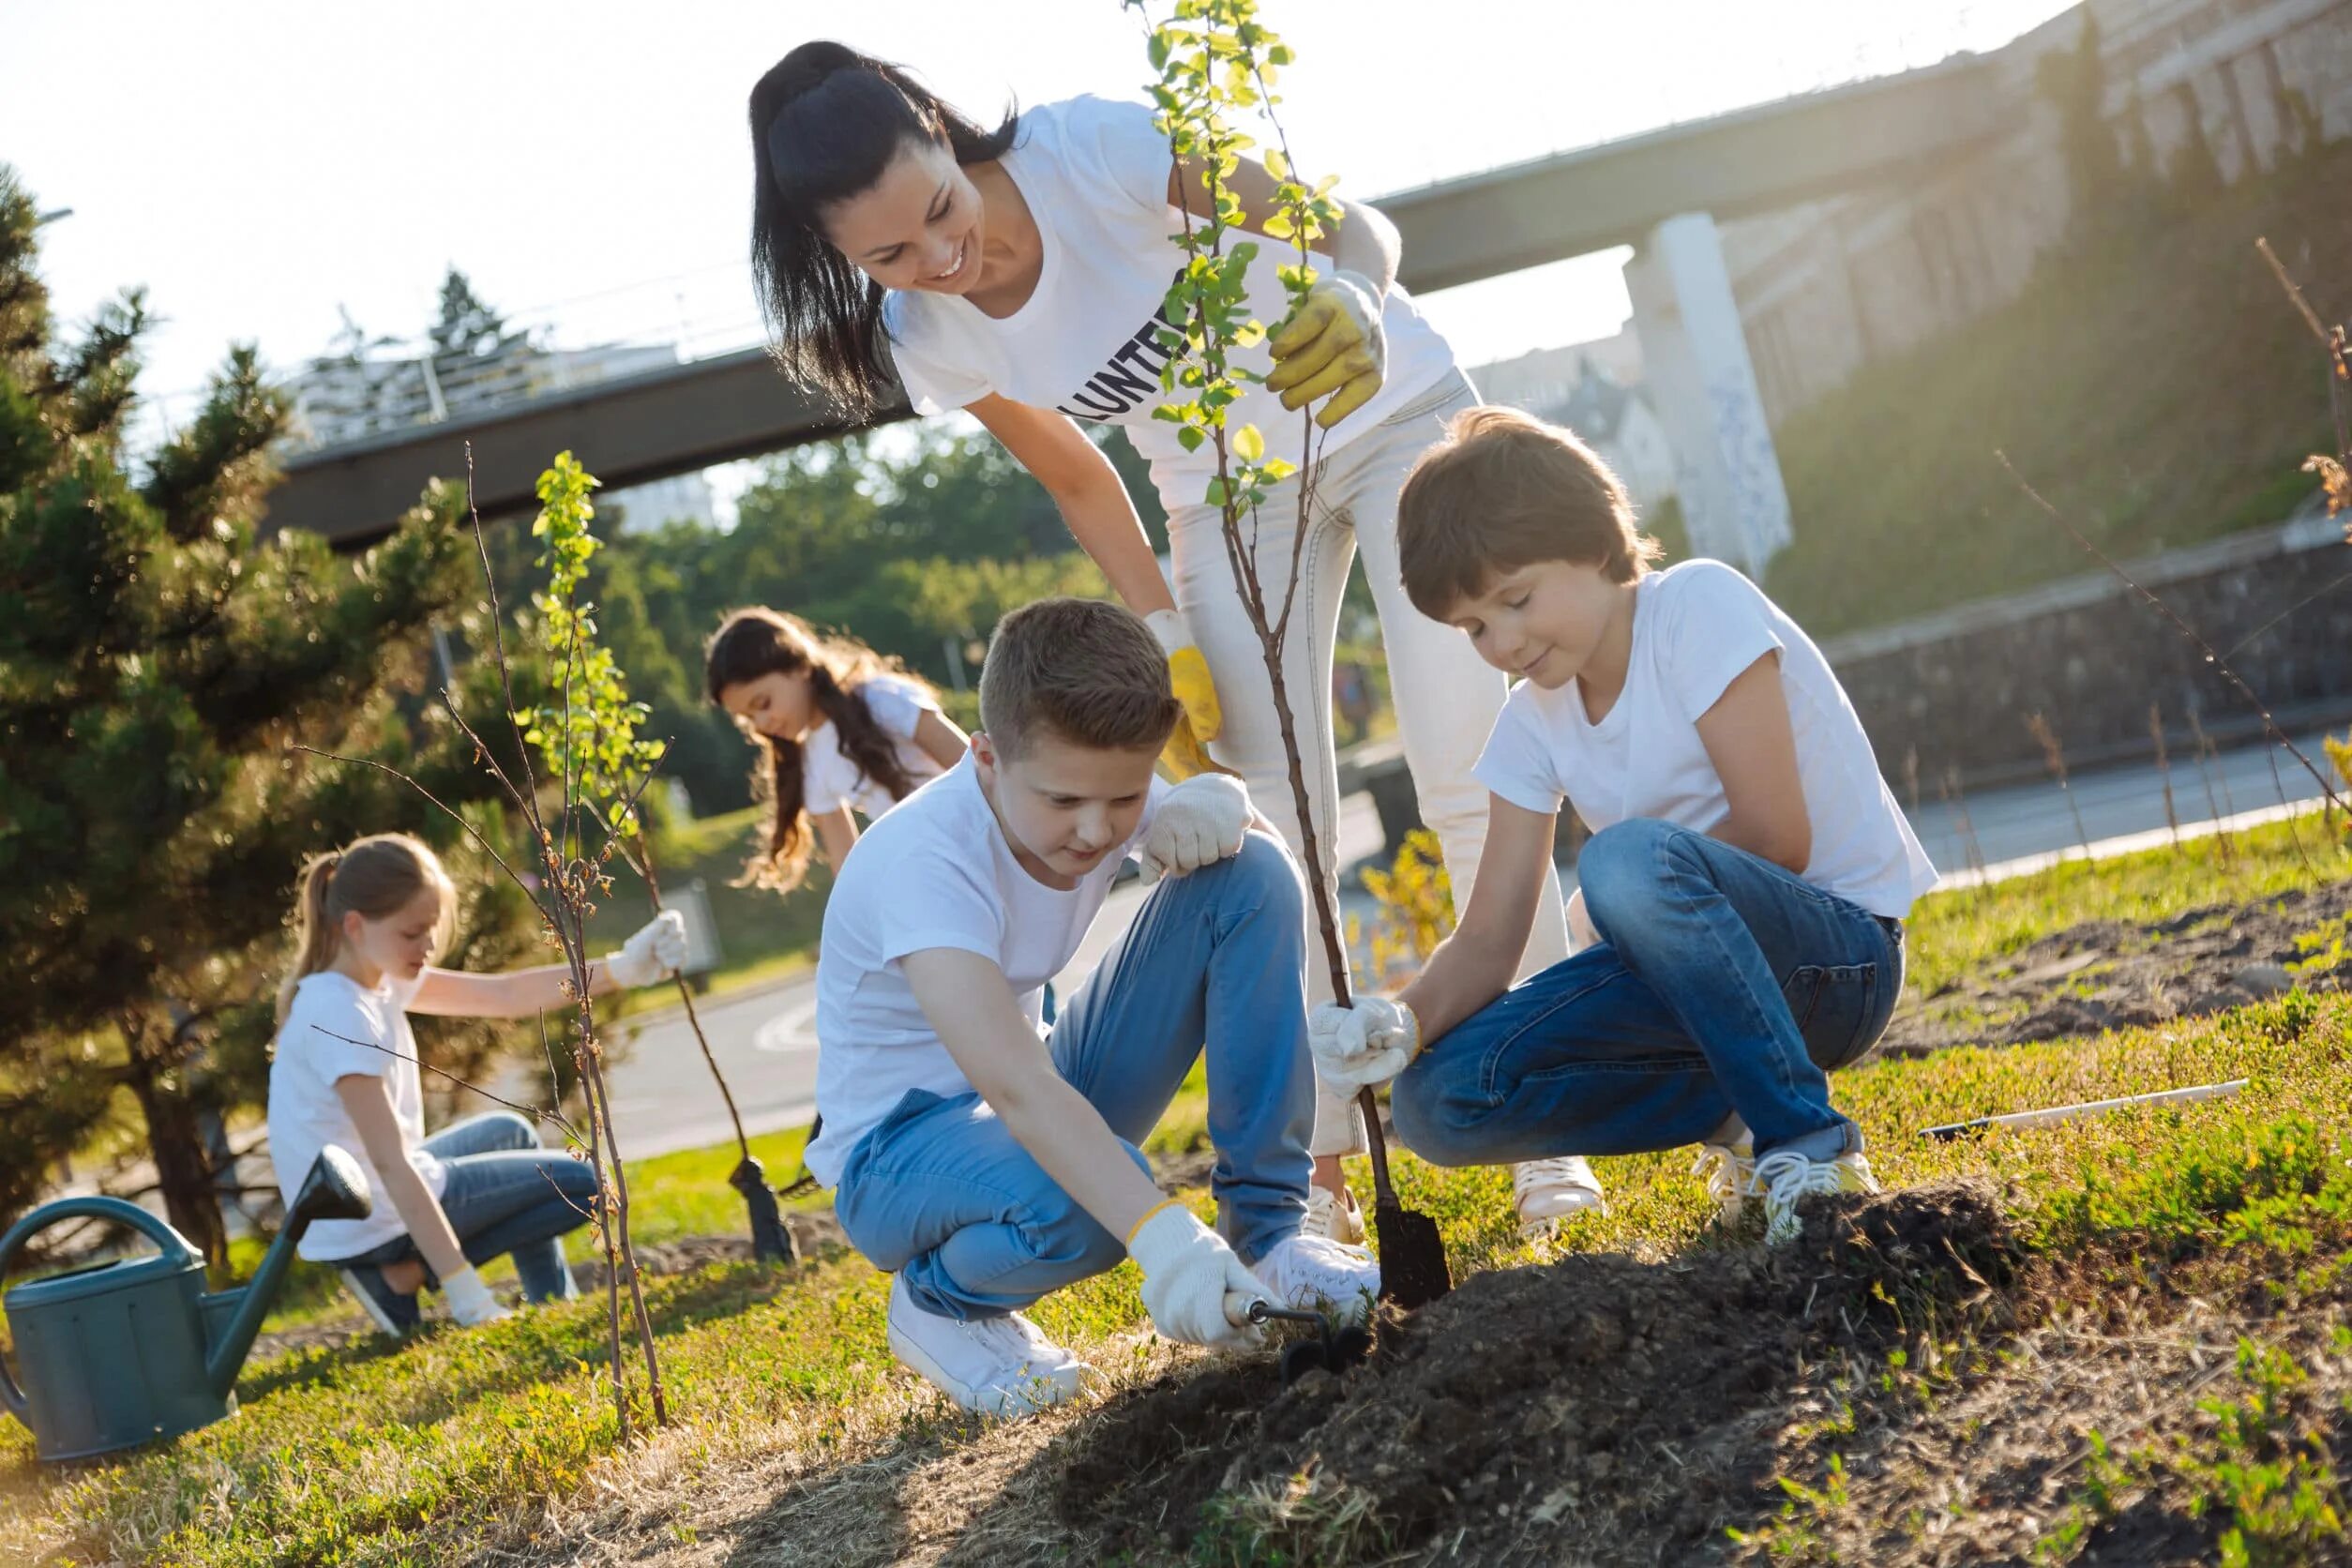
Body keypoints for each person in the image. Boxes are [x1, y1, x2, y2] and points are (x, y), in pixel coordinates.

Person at [746, 42, 1598, 1240]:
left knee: (1471, 773)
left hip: (1388, 412)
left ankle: (1544, 1127)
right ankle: (1316, 1175)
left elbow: (1345, 223)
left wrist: (1351, 289)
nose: (943, 256)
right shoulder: (932, 335)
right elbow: (1080, 476)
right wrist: (1161, 625)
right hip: (1226, 500)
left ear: (945, 136)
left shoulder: (1091, 151)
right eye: (890, 254)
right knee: (1253, 822)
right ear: (843, 260)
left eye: (941, 209)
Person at [1309, 408, 1939, 1244]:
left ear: (1597, 546)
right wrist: (1401, 1021)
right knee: (1441, 1100)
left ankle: (1811, 1146)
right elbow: (1492, 939)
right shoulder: (1530, 726)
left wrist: (1629, 906)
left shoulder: (1696, 607)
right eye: (1474, 627)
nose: (1503, 642)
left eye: (1516, 599)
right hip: (1691, 991)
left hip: (1836, 963)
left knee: (1621, 864)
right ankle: (1741, 1119)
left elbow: (1779, 837)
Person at [807, 597, 1377, 1417]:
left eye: (1125, 797)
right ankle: (937, 1302)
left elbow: (1248, 882)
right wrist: (1166, 1242)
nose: (1095, 830)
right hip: (895, 1156)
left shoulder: (1093, 788)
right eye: (1065, 802)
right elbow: (1016, 1088)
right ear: (987, 756)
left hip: (1030, 1087)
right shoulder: (922, 864)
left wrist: (1222, 802)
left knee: (1247, 875)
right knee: (1098, 1207)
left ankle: (1273, 1237)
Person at [268, 832, 688, 1334]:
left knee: (511, 1133)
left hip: (371, 1201)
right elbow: (389, 1162)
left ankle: (553, 1299)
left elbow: (504, 995)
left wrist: (622, 968)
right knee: (589, 1186)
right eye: (412, 934)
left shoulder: (374, 974)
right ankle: (404, 1274)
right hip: (369, 1220)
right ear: (355, 926)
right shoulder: (339, 1011)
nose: (427, 946)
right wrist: (465, 1293)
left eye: (431, 930)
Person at [705, 606, 969, 893]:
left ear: (800, 667)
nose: (761, 724)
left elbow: (976, 766)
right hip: (935, 876)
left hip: (981, 843)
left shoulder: (881, 700)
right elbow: (848, 870)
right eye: (748, 719)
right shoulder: (811, 762)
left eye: (763, 704)